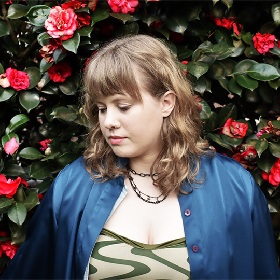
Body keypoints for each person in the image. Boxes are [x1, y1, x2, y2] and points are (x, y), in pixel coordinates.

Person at [1, 34, 279, 280]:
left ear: (166, 103)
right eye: (101, 108)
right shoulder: (73, 186)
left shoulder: (233, 187)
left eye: (123, 106)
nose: (108, 121)